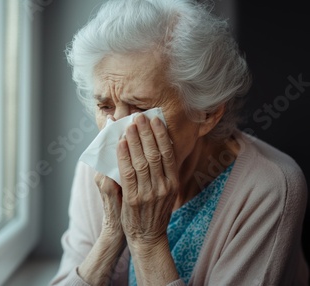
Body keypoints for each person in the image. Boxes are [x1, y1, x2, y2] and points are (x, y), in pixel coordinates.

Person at [49, 0, 309, 285]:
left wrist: (147, 239)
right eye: (106, 107)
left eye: (139, 108)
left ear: (206, 113)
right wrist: (112, 233)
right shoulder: (98, 171)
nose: (117, 135)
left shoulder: (269, 187)